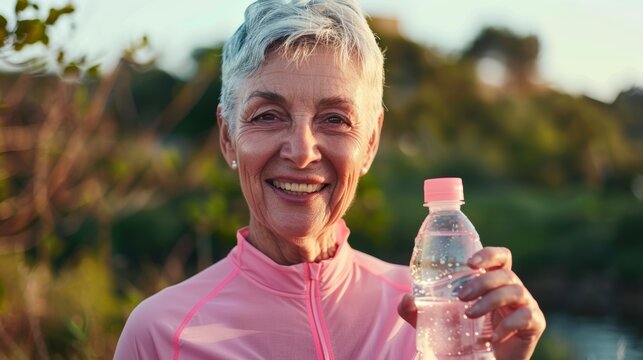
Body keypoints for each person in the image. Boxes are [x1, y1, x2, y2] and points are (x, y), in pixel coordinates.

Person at [114, 0, 546, 359]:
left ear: (370, 143)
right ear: (228, 137)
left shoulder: (437, 314)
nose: (301, 152)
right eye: (268, 115)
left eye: (335, 119)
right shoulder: (160, 334)